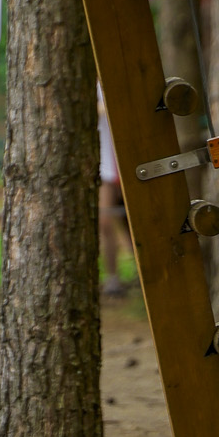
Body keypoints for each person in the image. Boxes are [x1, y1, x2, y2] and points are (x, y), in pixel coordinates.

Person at [98, 91, 128, 299]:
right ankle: (112, 278)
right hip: (104, 164)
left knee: (132, 223)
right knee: (105, 222)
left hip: (123, 160)